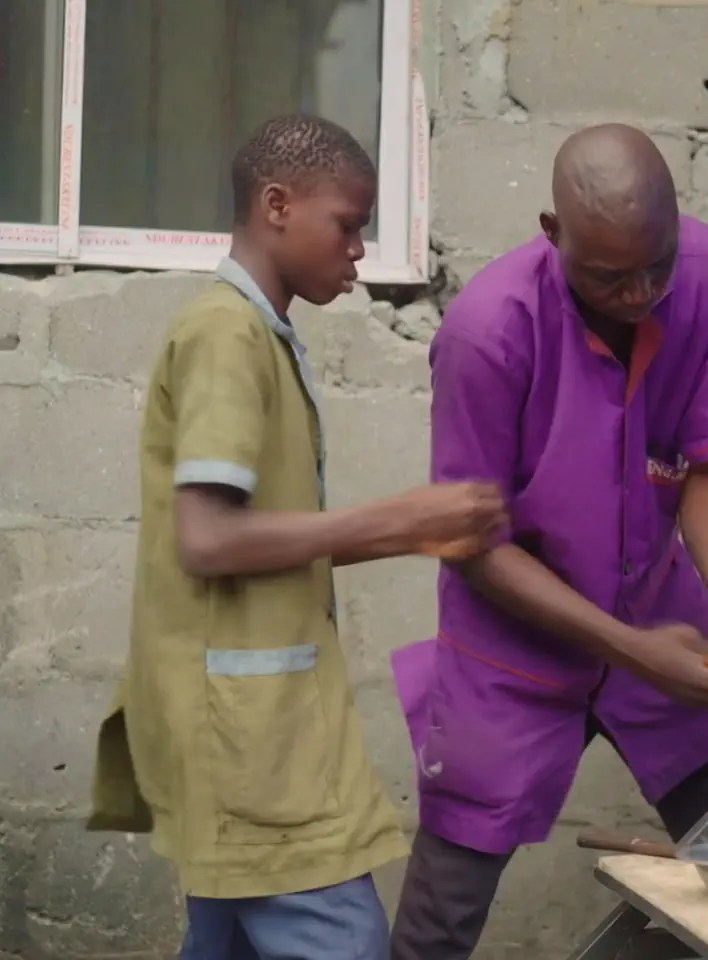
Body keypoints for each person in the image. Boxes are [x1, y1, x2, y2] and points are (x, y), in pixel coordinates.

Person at [86, 114, 506, 960]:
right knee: (343, 943)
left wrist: (413, 529)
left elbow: (268, 535)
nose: (357, 251)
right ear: (277, 205)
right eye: (348, 226)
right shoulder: (224, 334)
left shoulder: (260, 335)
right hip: (246, 748)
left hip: (247, 733)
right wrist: (402, 522)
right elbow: (207, 538)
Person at [389, 123, 708, 958]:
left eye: (658, 264)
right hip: (512, 641)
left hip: (661, 610)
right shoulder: (485, 334)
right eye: (611, 275)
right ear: (552, 235)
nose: (641, 293)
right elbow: (474, 545)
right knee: (444, 913)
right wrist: (637, 651)